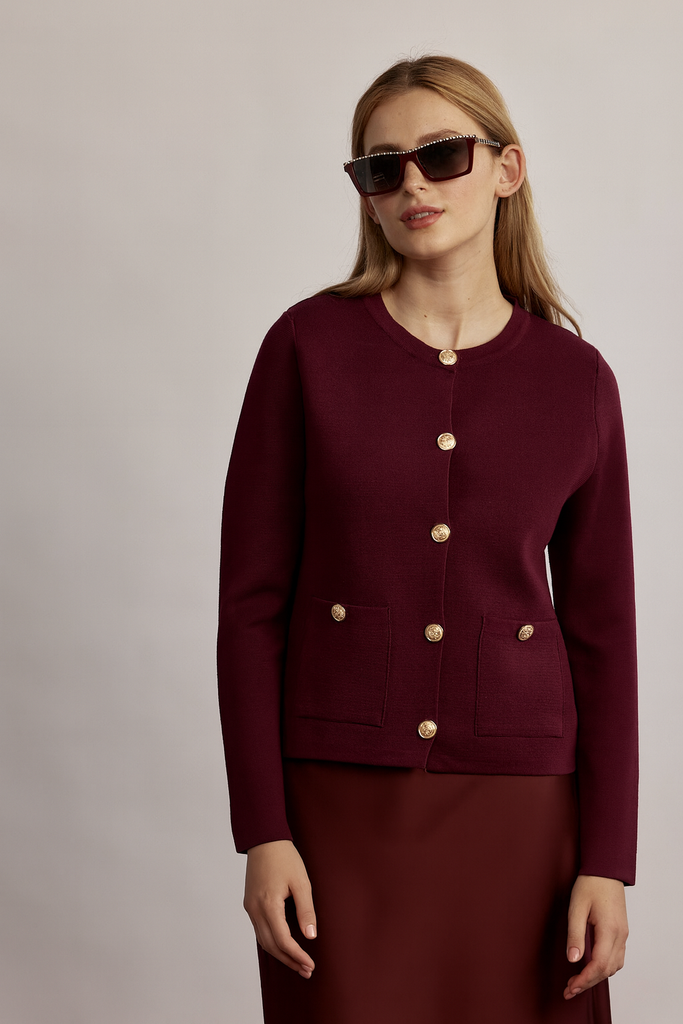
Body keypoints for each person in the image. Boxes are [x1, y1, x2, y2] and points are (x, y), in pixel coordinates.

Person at [216, 54, 638, 1024]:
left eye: (442, 155)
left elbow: (602, 634)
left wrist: (607, 860)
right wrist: (263, 832)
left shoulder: (575, 380)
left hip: (524, 808)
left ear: (506, 168)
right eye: (381, 167)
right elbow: (250, 608)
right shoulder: (305, 348)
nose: (412, 184)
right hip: (337, 805)